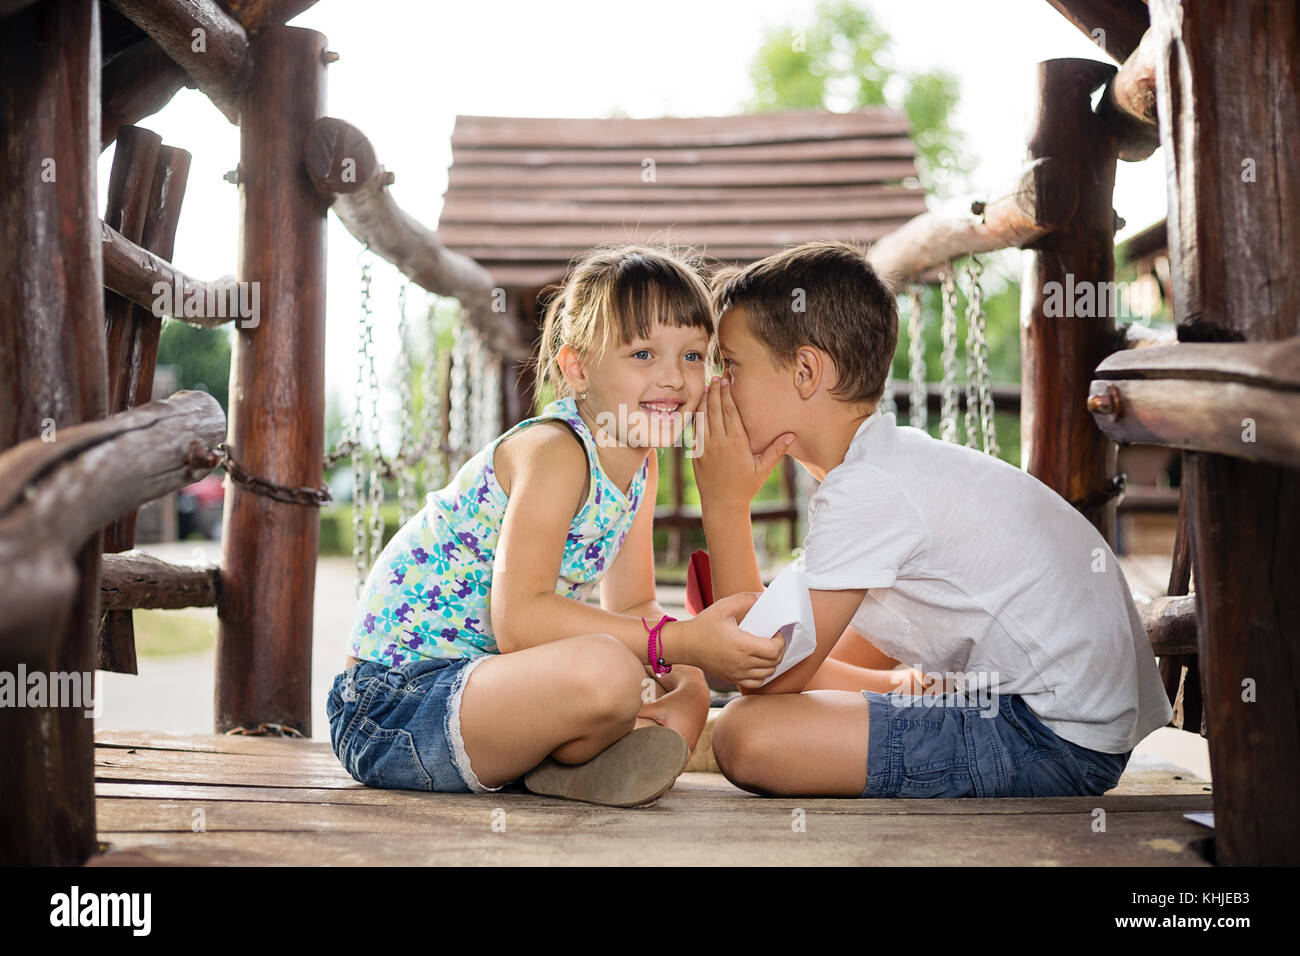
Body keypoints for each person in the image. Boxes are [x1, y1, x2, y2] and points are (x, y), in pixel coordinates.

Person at [692, 239, 1173, 798]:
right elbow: (792, 656)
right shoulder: (886, 465)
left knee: (745, 735)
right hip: (1064, 720)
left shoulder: (868, 487)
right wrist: (893, 684)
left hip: (1053, 738)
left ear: (805, 371)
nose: (715, 386)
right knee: (794, 672)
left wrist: (724, 504)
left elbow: (760, 671)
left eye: (729, 364)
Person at [326, 244, 781, 808]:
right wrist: (680, 642)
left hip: (484, 695)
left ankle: (562, 772)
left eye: (693, 355)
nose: (674, 378)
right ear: (576, 368)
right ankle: (574, 751)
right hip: (390, 707)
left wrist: (688, 685)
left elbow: (635, 603)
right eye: (643, 354)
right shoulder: (554, 451)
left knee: (623, 679)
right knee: (608, 674)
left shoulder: (638, 461)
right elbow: (520, 620)